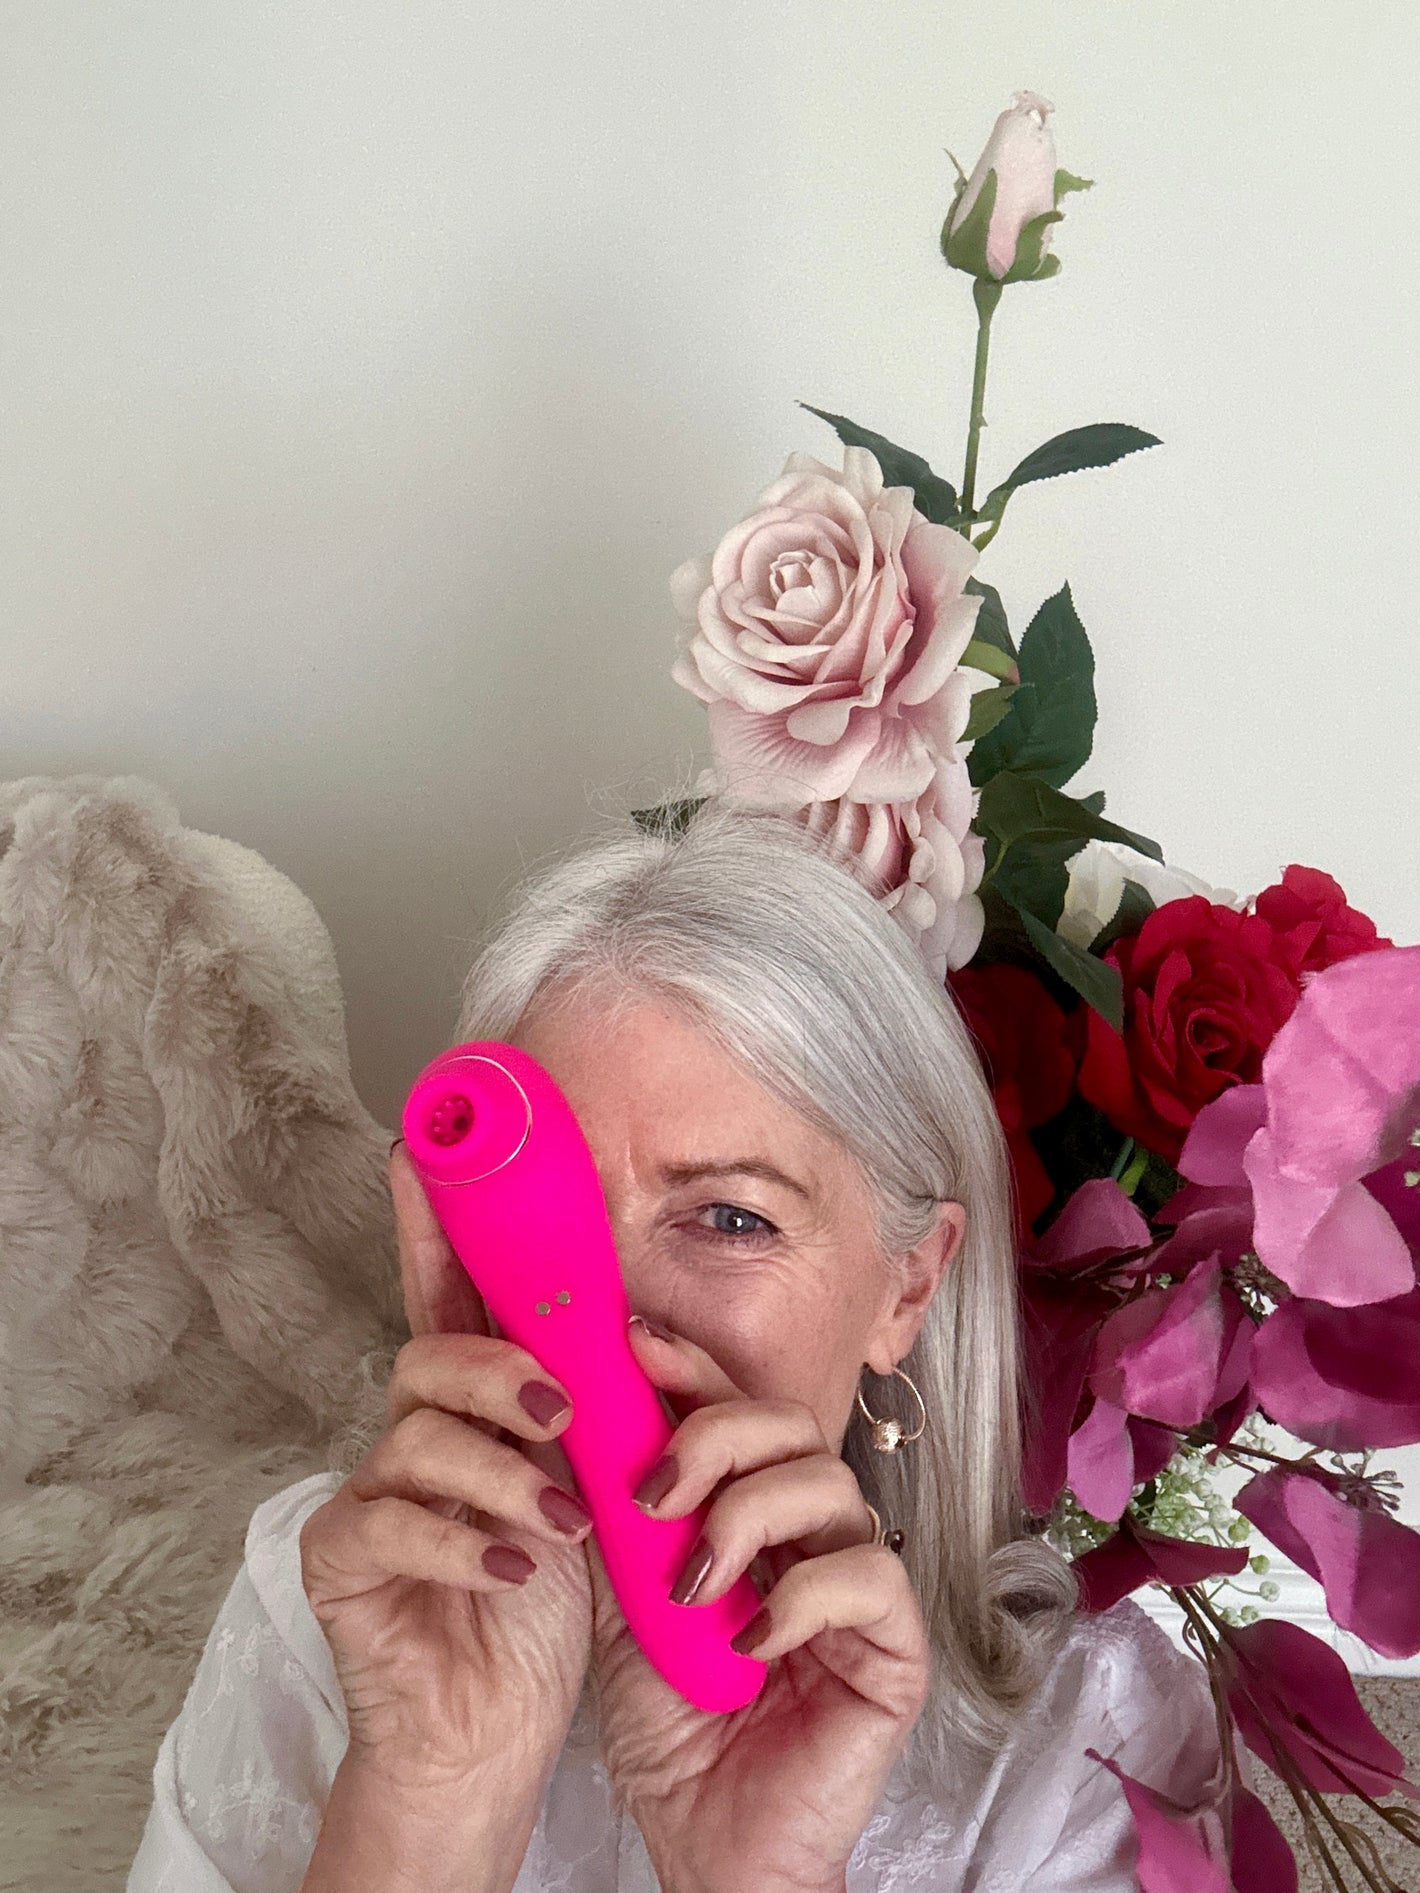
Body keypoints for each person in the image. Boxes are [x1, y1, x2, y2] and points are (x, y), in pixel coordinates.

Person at [127, 799, 1230, 1892]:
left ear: (908, 1284)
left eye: (732, 1218)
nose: (607, 1316)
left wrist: (757, 1880)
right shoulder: (330, 1601)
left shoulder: (1097, 1744)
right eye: (543, 1211)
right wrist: (437, 1789)